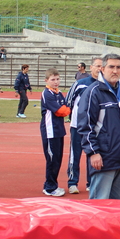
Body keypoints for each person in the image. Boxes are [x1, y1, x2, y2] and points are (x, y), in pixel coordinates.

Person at [76, 54, 120, 200]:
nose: (115, 71)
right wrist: (93, 152)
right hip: (103, 158)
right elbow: (85, 126)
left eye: (118, 67)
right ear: (102, 69)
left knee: (116, 207)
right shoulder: (93, 92)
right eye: (111, 67)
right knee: (99, 206)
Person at [65, 57, 103, 194]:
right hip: (77, 126)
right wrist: (75, 117)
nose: (99, 69)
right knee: (75, 154)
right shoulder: (80, 83)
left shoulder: (103, 85)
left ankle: (91, 182)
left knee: (92, 154)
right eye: (97, 66)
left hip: (94, 127)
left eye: (101, 66)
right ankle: (72, 182)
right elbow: (68, 101)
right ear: (91, 67)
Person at [41, 68, 71, 196]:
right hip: (50, 131)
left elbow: (65, 107)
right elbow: (61, 111)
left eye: (57, 79)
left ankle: (53, 184)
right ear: (46, 80)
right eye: (53, 79)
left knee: (57, 159)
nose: (56, 82)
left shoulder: (58, 93)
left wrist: (67, 108)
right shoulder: (47, 94)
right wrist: (68, 109)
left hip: (59, 130)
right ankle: (49, 187)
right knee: (52, 159)